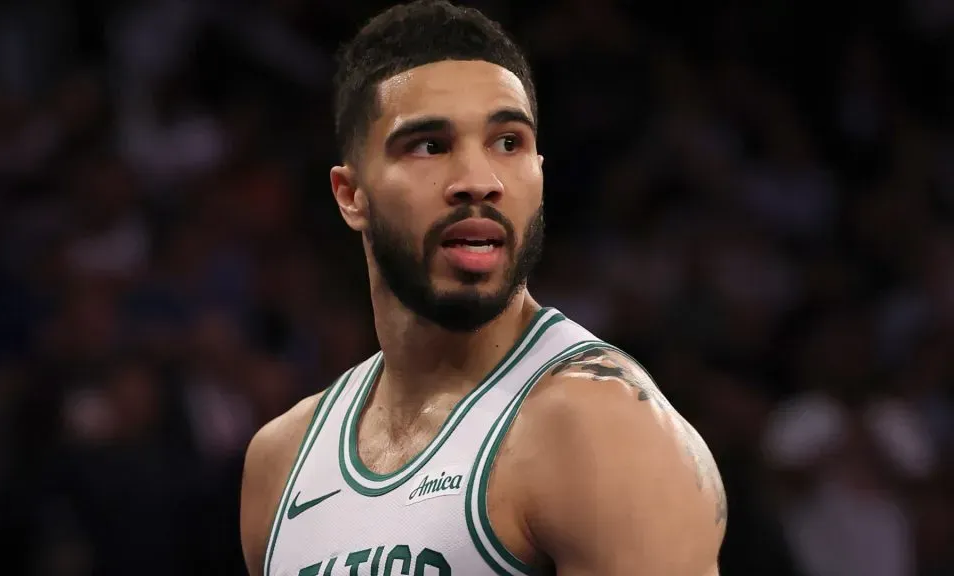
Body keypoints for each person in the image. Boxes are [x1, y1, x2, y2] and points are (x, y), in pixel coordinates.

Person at [240, 1, 727, 574]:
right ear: (351, 195)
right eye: (429, 145)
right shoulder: (281, 462)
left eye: (508, 142)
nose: (480, 182)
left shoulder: (602, 427)